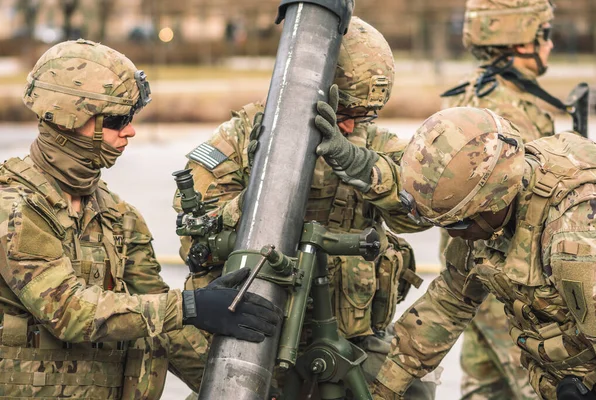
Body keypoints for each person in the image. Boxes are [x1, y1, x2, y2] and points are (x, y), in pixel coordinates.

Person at [0, 39, 280, 399]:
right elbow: (68, 310)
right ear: (69, 121)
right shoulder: (14, 206)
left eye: (130, 119)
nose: (130, 131)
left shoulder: (118, 217)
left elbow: (166, 327)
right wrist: (192, 306)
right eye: (117, 121)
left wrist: (252, 389)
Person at [175, 17, 437, 398]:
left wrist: (363, 168)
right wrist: (265, 187)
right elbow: (196, 241)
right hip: (255, 335)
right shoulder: (240, 139)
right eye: (343, 112)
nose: (350, 127)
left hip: (352, 340)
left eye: (362, 117)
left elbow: (422, 210)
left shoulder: (370, 144)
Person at [372, 106, 596, 400]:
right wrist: (382, 391)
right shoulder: (487, 214)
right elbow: (448, 304)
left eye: (459, 224)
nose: (453, 234)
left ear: (496, 200)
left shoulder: (575, 239)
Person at [438, 1, 556, 398]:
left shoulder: (481, 91)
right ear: (522, 39)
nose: (550, 45)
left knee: (484, 387)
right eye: (544, 35)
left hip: (476, 272)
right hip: (507, 280)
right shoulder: (508, 110)